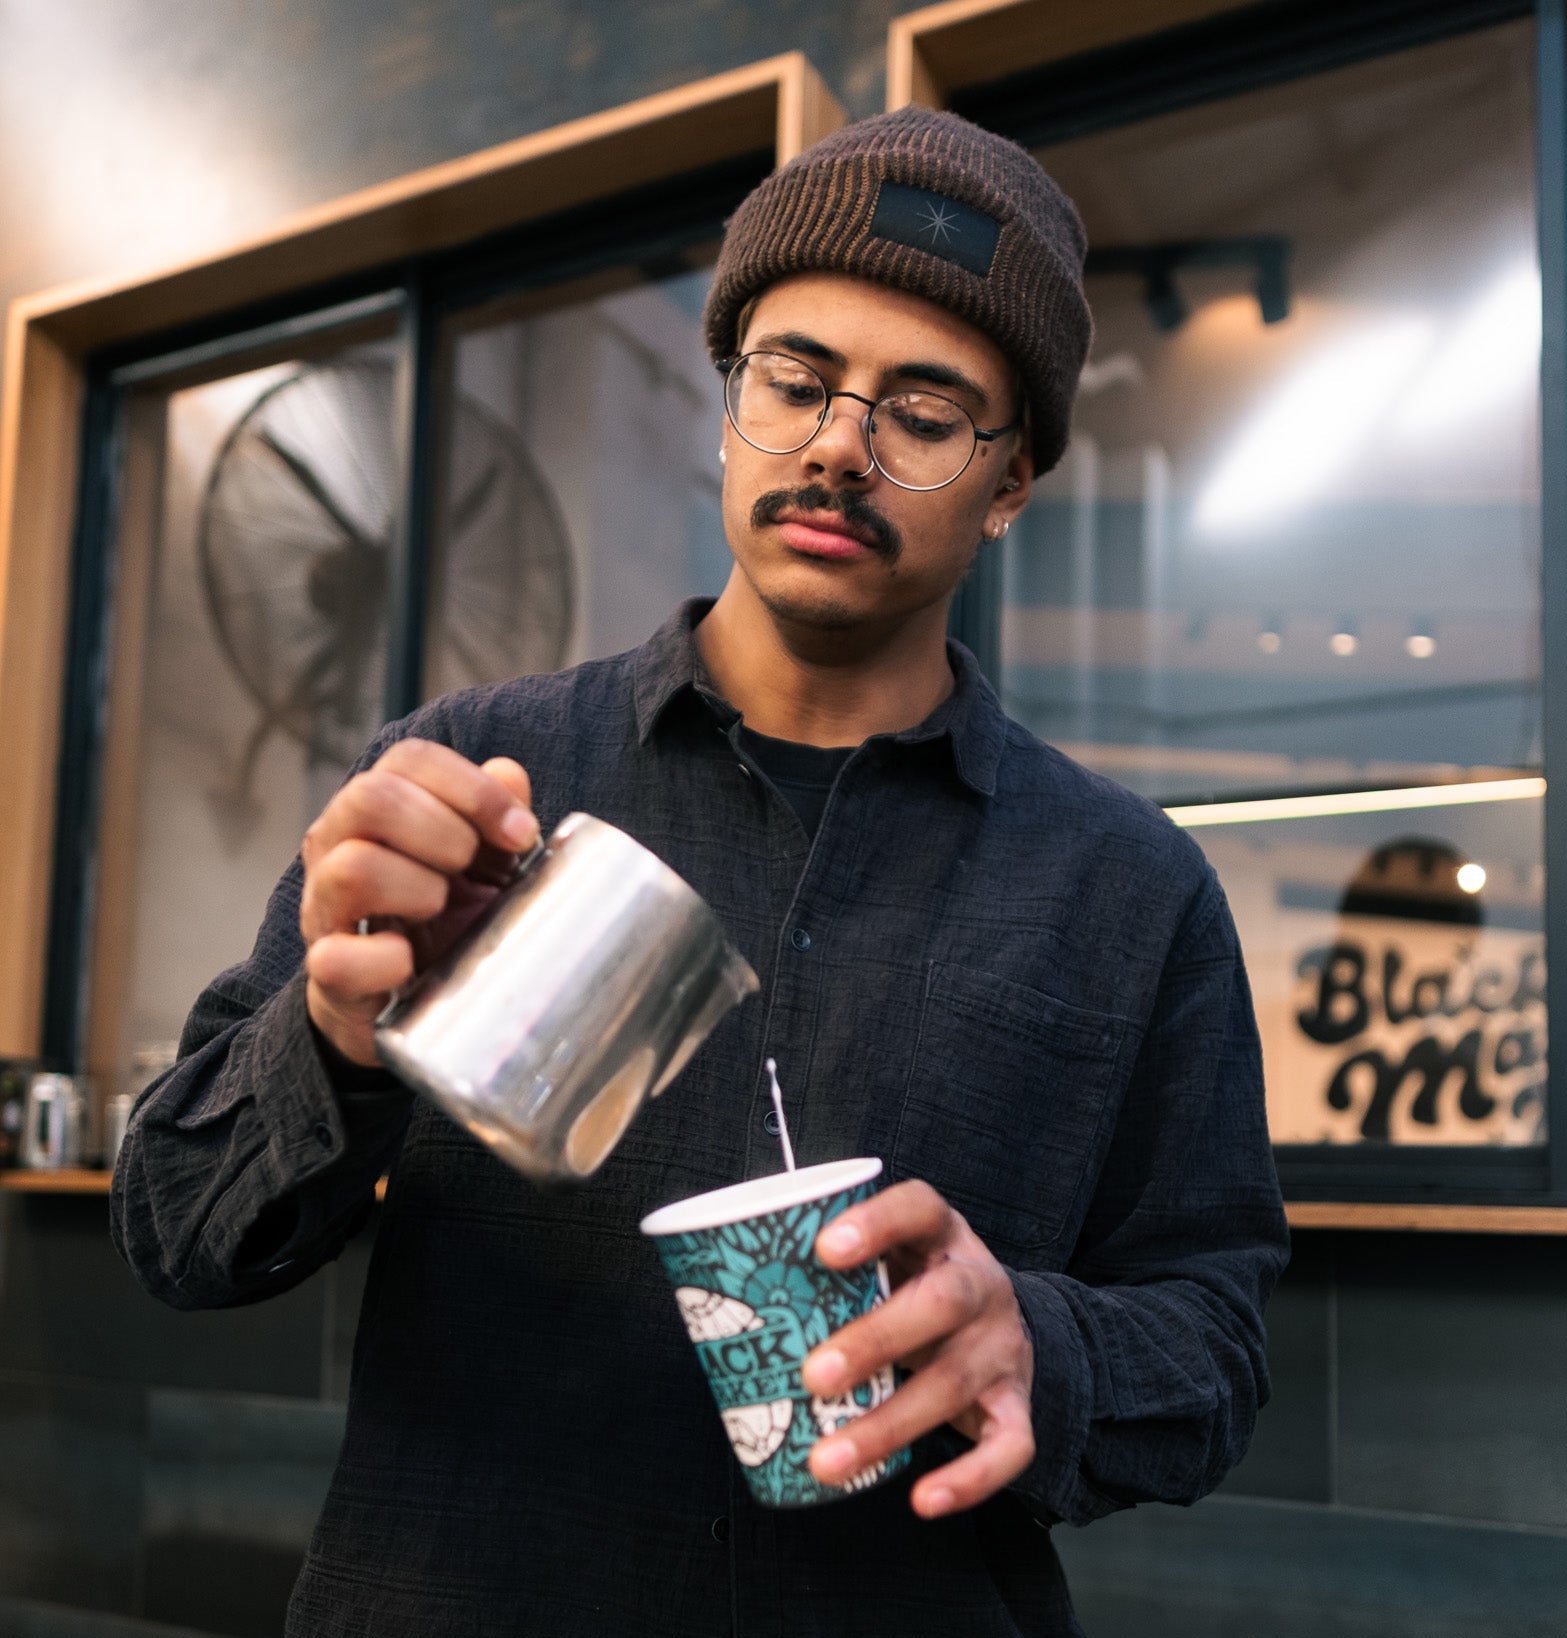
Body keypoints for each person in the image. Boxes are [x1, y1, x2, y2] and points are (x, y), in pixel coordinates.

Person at [113, 107, 1288, 1638]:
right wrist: (337, 1044)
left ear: (1009, 485)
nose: (837, 444)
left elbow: (1214, 1342)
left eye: (924, 414)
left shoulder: (1127, 891)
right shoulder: (476, 781)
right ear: (728, 406)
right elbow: (177, 1232)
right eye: (794, 380)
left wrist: (1038, 1347)